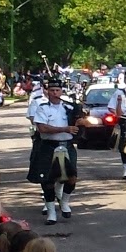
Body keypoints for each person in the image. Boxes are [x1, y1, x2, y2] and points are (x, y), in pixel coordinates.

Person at [29, 78, 79, 225]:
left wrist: (81, 121)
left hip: (67, 145)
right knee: (47, 181)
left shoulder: (69, 107)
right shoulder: (42, 108)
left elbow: (79, 122)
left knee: (72, 178)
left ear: (61, 91)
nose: (55, 93)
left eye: (57, 90)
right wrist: (65, 129)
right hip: (48, 146)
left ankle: (64, 202)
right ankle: (51, 213)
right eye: (52, 90)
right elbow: (42, 128)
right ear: (47, 92)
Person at [109, 71, 126, 180]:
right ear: (124, 80)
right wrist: (118, 114)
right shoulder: (119, 92)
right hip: (124, 121)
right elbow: (111, 107)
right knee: (123, 146)